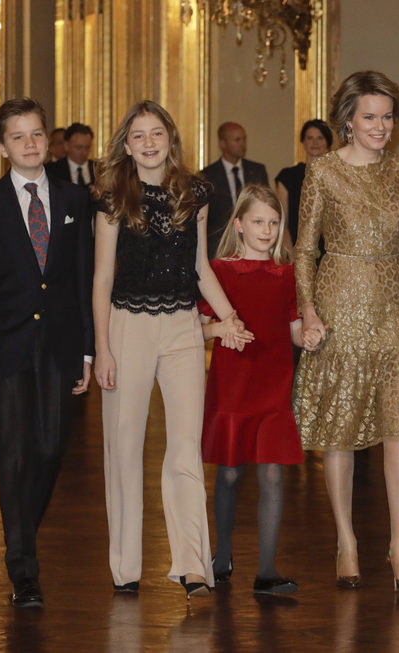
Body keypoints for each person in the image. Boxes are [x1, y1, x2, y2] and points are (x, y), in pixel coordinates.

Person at [92, 100, 250, 600]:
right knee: (124, 449)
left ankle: (192, 566)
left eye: (155, 133)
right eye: (137, 135)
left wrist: (228, 318)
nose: (148, 143)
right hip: (126, 328)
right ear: (126, 144)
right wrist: (103, 349)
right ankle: (125, 568)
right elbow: (101, 279)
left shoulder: (195, 192)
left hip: (183, 326)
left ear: (170, 137)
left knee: (185, 447)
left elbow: (202, 267)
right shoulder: (112, 195)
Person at [293, 70, 399, 591]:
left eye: (387, 116)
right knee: (341, 432)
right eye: (370, 116)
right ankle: (346, 541)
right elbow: (305, 249)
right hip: (340, 307)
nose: (381, 125)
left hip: (395, 309)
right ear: (348, 120)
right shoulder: (323, 172)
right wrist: (308, 312)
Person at [0, 97, 94, 608]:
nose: (30, 144)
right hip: (5, 345)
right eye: (19, 137)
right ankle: (23, 568)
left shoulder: (75, 200)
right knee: (12, 454)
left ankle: (21, 533)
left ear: (48, 139)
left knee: (50, 449)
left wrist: (86, 349)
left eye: (37, 134)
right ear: (2, 147)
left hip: (59, 345)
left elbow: (82, 279)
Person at [200, 184, 319, 596]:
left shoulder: (286, 274)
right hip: (234, 386)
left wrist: (312, 333)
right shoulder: (221, 271)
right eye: (258, 222)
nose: (266, 230)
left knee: (271, 474)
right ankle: (222, 554)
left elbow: (294, 330)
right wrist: (218, 330)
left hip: (273, 385)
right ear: (239, 224)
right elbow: (197, 327)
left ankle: (267, 569)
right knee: (230, 473)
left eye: (273, 222)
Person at [200, 122, 269, 258]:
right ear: (222, 143)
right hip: (219, 247)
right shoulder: (206, 176)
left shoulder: (257, 170)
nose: (243, 144)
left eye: (244, 139)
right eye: (237, 140)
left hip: (253, 244)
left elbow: (266, 206)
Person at [275, 119, 332, 246]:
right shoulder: (287, 177)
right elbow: (282, 220)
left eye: (320, 138)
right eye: (310, 138)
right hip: (297, 248)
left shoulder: (338, 177)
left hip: (331, 252)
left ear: (327, 143)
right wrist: (290, 252)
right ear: (303, 142)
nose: (315, 142)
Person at [45, 123, 100, 201]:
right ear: (66, 146)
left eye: (87, 147)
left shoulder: (100, 169)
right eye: (78, 147)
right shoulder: (51, 170)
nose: (83, 152)